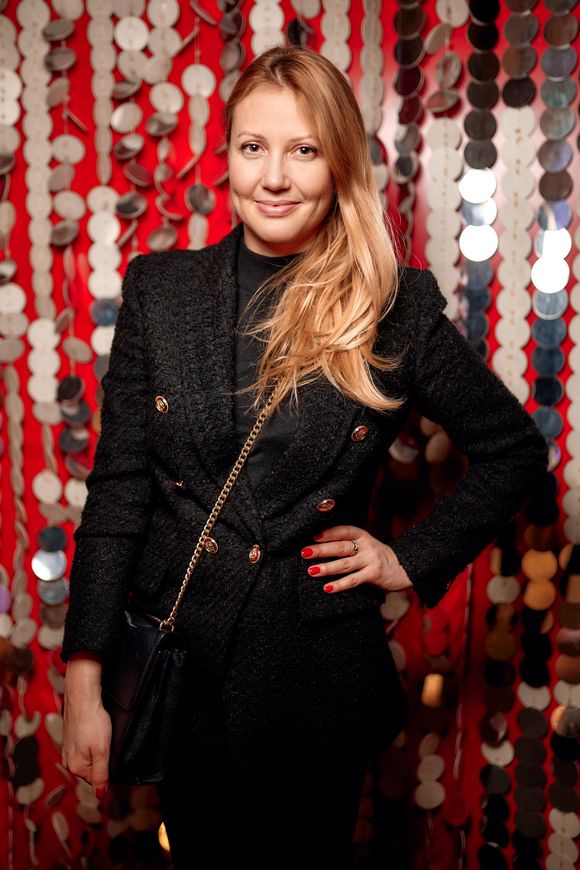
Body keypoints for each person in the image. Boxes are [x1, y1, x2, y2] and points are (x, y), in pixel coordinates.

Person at [60, 46, 548, 868]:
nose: (275, 177)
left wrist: (406, 559)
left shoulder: (391, 306)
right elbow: (117, 495)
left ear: (340, 162)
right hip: (185, 672)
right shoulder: (160, 291)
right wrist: (85, 679)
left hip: (315, 681)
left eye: (304, 149)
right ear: (227, 155)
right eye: (254, 147)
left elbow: (514, 451)